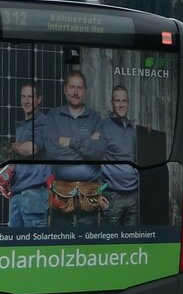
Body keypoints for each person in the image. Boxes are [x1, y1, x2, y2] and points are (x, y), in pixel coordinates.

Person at [43, 70, 108, 226]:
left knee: (89, 245)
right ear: (65, 89)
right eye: (72, 87)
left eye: (80, 88)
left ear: (85, 91)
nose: (76, 92)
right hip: (61, 194)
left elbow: (99, 151)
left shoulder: (95, 118)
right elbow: (52, 152)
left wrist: (71, 142)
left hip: (90, 194)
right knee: (60, 246)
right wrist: (88, 142)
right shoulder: (53, 116)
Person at [7, 81, 49, 228]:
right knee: (15, 248)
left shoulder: (44, 123)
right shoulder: (22, 127)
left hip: (34, 195)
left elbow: (31, 149)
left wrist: (10, 146)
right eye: (23, 96)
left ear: (38, 99)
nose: (26, 101)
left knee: (35, 246)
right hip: (17, 194)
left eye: (30, 97)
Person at [101, 85, 139, 228]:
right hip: (112, 196)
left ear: (128, 102)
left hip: (133, 195)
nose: (121, 104)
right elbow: (91, 160)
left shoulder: (133, 131)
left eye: (124, 101)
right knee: (111, 243)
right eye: (118, 101)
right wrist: (96, 194)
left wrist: (148, 137)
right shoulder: (103, 127)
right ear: (112, 102)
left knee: (133, 242)